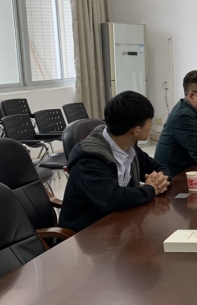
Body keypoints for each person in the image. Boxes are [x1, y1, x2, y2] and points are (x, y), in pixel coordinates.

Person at [59, 91, 170, 233]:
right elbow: (114, 199)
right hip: (87, 233)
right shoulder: (90, 159)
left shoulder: (129, 147)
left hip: (121, 224)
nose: (151, 124)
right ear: (136, 130)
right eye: (150, 121)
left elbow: (160, 167)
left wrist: (160, 179)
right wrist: (150, 189)